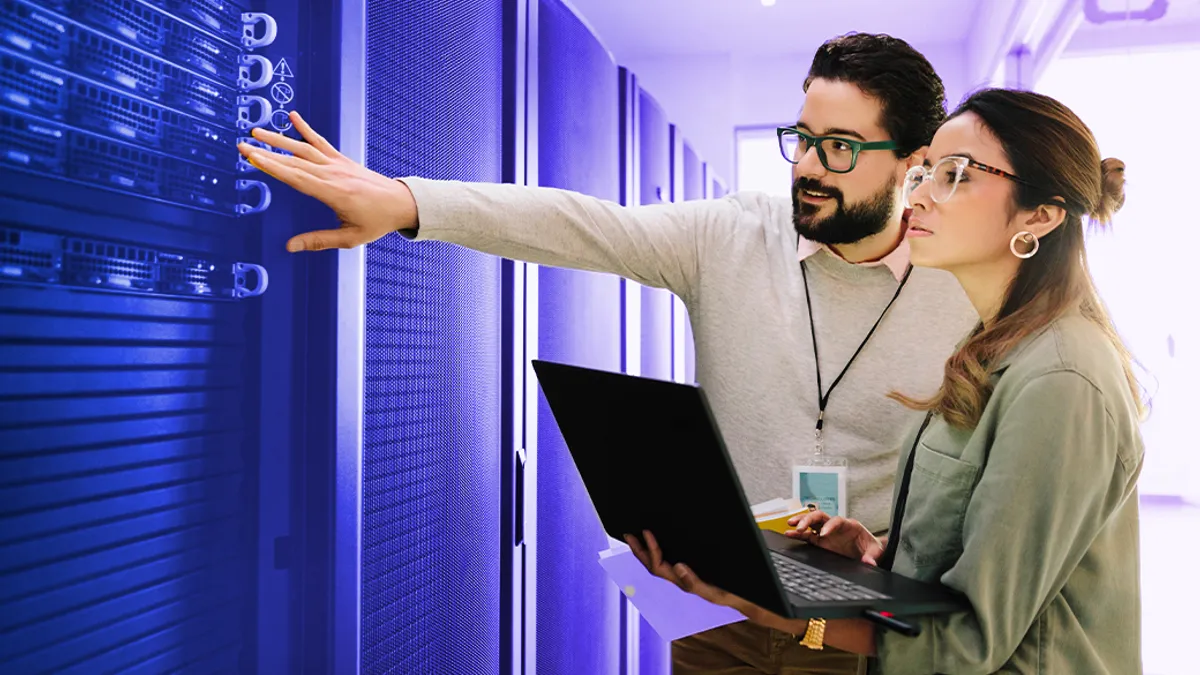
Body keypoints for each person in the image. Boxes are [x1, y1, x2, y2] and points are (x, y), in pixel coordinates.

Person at [239, 33, 977, 673]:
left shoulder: (967, 288)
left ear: (914, 165)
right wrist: (408, 201)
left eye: (841, 147)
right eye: (804, 137)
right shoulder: (734, 235)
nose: (809, 166)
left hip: (864, 628)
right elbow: (584, 224)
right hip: (720, 610)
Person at [628, 87, 1145, 674]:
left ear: (1040, 216)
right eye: (925, 172)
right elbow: (972, 554)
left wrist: (778, 610)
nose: (918, 195)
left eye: (955, 176)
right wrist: (878, 554)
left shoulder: (1061, 380)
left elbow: (967, 642)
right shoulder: (989, 348)